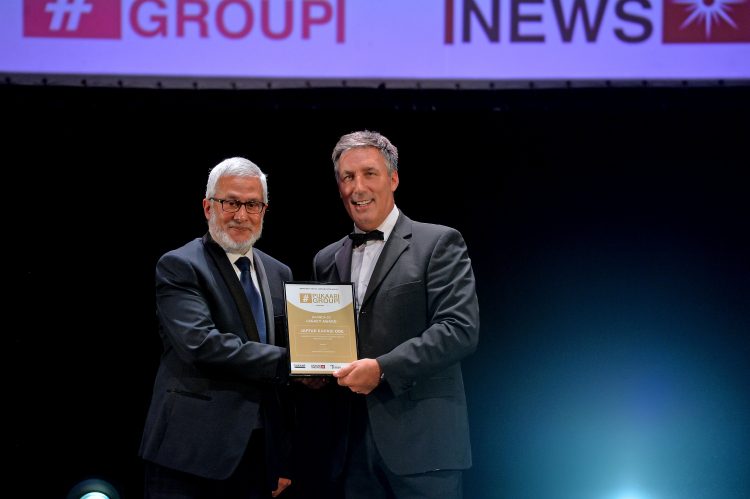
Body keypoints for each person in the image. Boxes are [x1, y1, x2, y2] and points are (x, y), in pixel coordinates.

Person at [311, 130, 480, 498]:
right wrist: (317, 370)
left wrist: (382, 368)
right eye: (347, 177)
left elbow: (458, 330)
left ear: (393, 178)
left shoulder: (438, 242)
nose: (358, 187)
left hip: (424, 445)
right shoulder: (327, 259)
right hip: (350, 449)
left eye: (369, 173)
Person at [140, 157, 294, 499]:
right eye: (230, 203)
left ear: (264, 210)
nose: (241, 215)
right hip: (190, 455)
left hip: (258, 455)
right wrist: (292, 362)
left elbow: (281, 380)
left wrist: (281, 454)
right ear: (208, 206)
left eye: (252, 204)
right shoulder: (180, 265)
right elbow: (200, 344)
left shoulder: (279, 273)